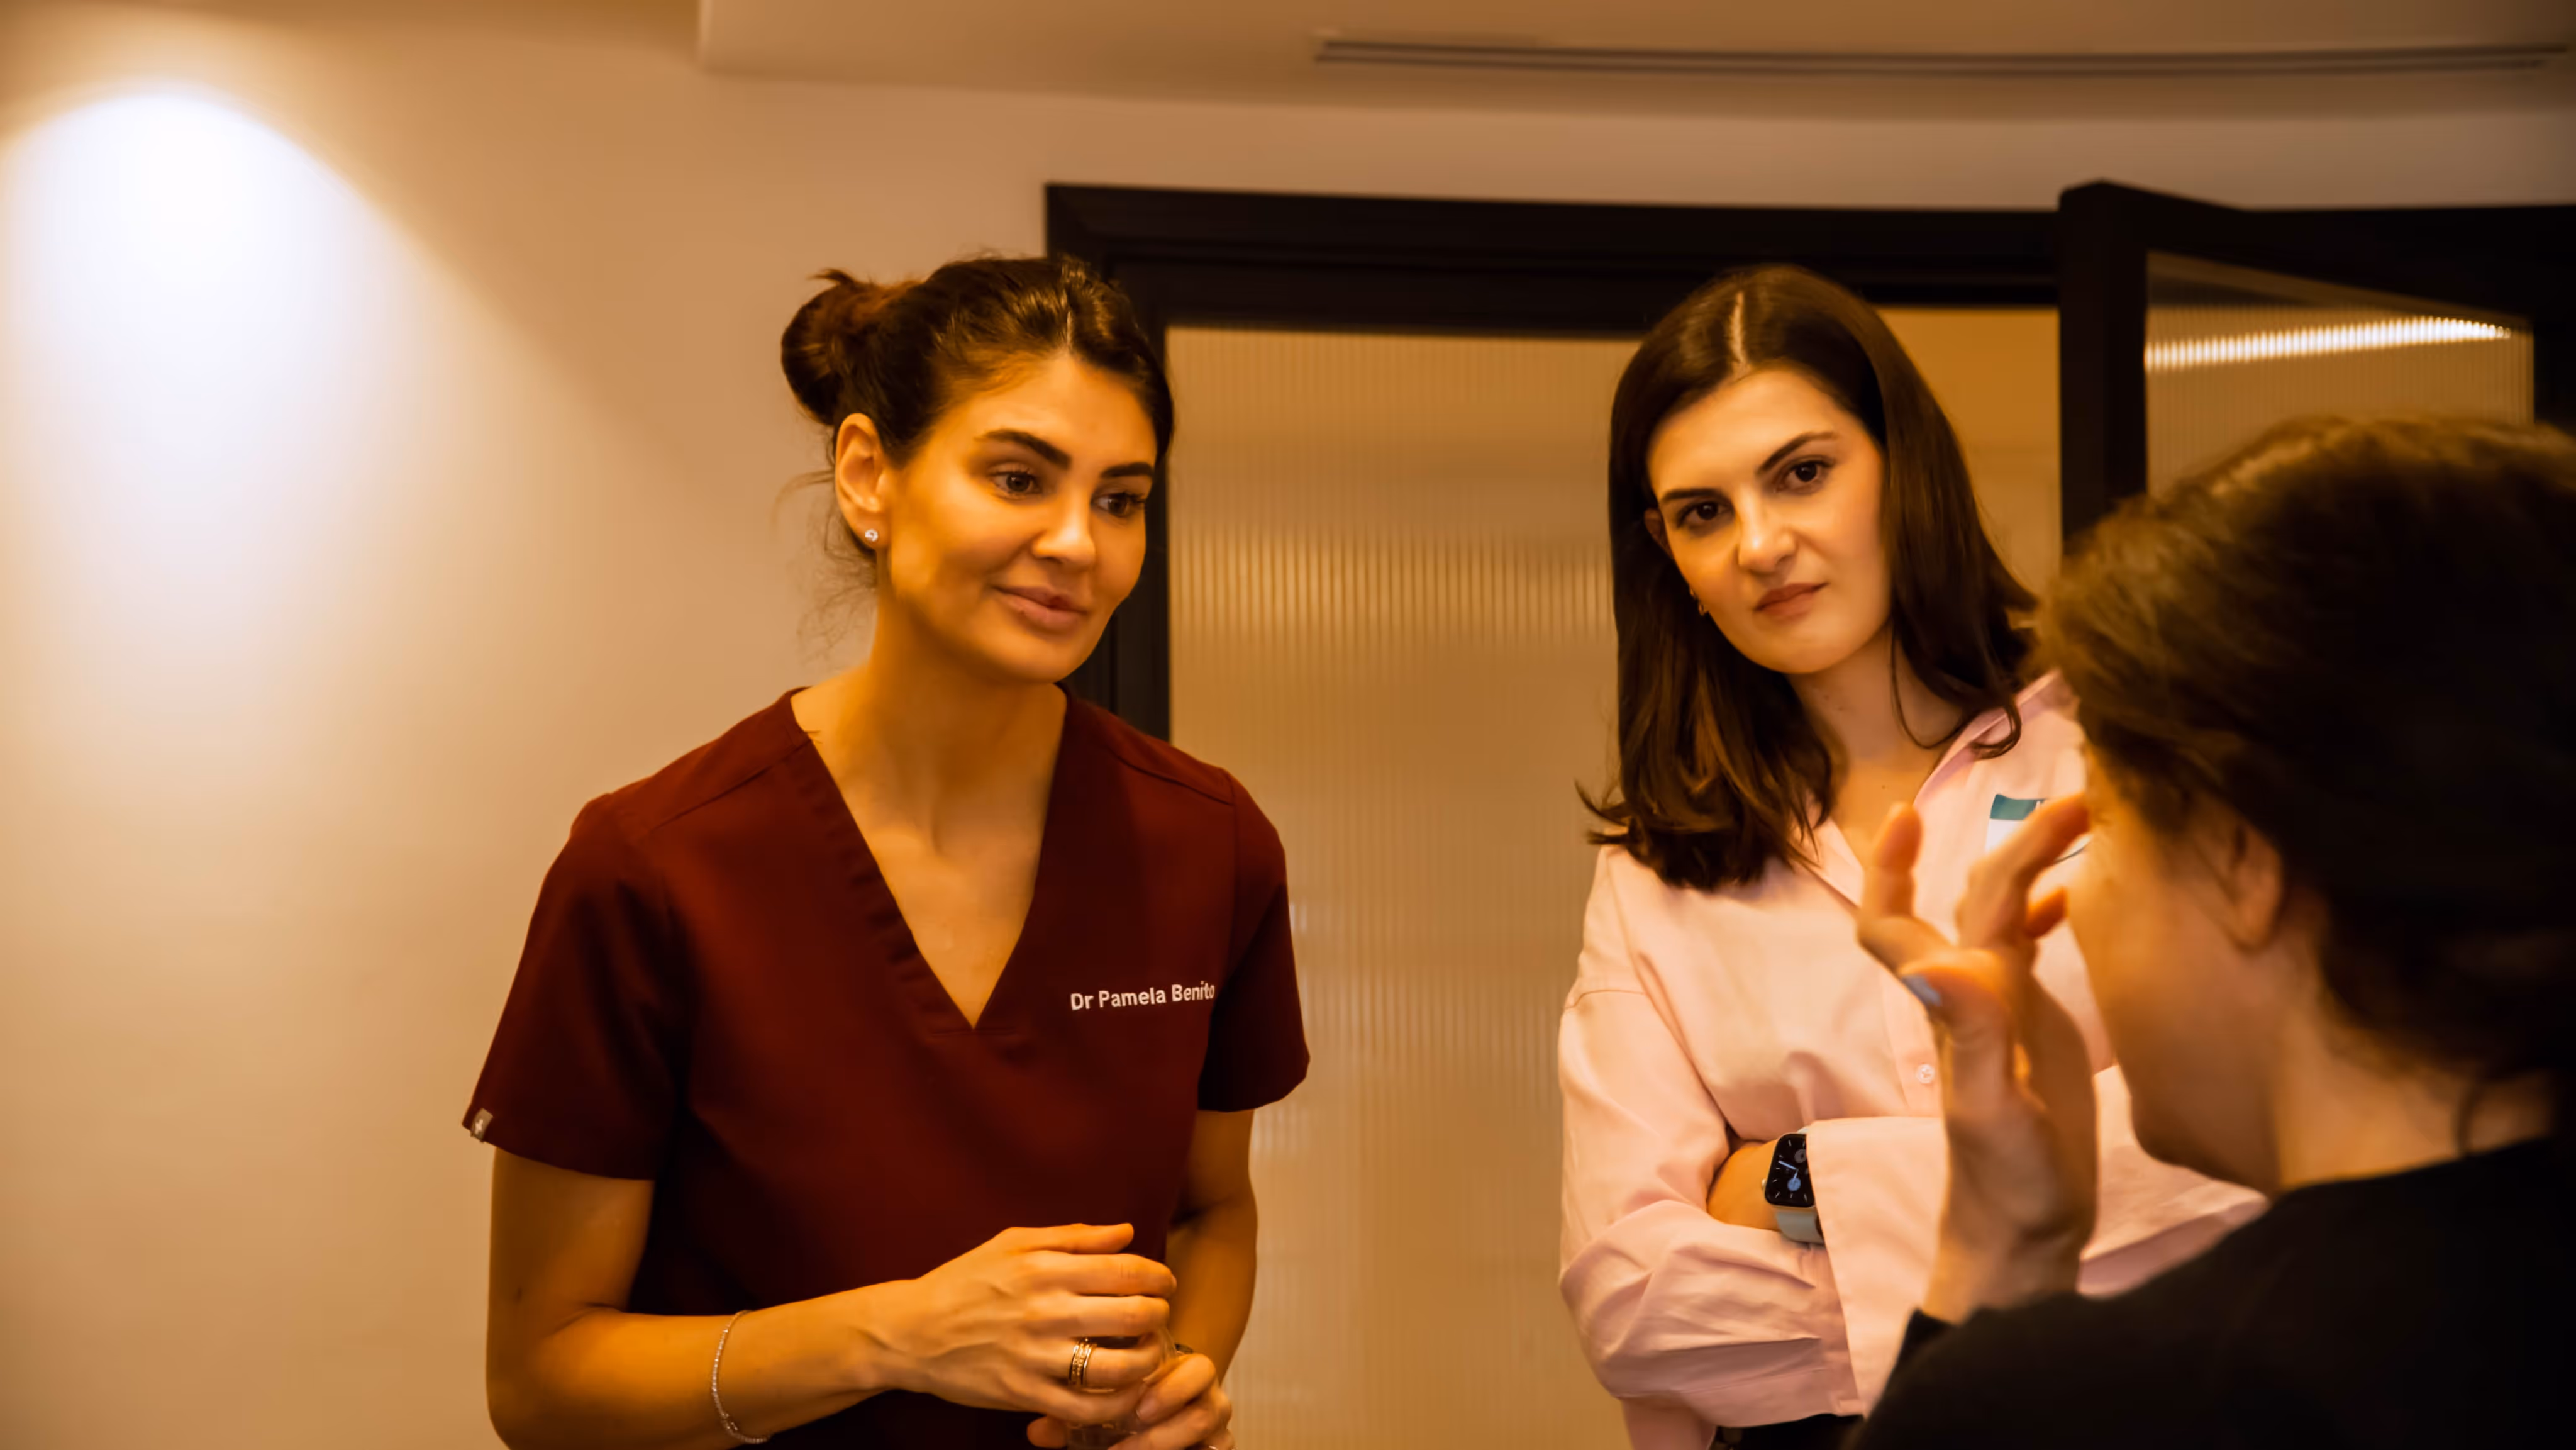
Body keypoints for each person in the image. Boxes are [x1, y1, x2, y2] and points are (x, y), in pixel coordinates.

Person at [464, 255, 1306, 1450]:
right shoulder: (654, 867)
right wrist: (898, 1334)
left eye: (1121, 499)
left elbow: (1214, 1211)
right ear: (870, 474)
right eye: (1020, 478)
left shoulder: (1208, 845)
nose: (1078, 543)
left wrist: (1177, 1374)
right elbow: (543, 1380)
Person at [1556, 265, 2258, 1450]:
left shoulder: (2127, 744)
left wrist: (1799, 1182)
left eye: (1804, 473)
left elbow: (2230, 1166)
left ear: (1902, 462)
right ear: (1665, 552)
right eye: (1702, 512)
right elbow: (1634, 1308)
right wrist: (2029, 1210)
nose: (1763, 545)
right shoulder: (1654, 871)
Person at [1850, 415, 2576, 1449]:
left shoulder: (2106, 1405)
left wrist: (1995, 1245)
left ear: (2244, 859)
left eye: (2099, 826)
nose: (2076, 908)